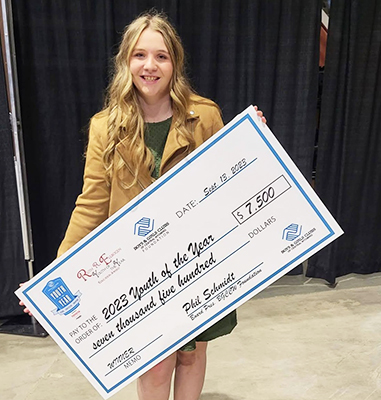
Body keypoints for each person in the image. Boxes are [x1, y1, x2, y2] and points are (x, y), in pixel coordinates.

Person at [20, 11, 266, 400]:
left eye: (161, 56)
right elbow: (92, 203)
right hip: (140, 268)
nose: (150, 66)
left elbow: (231, 182)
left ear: (175, 63)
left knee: (191, 354)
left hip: (198, 258)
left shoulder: (204, 115)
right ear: (126, 61)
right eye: (139, 55)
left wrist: (255, 142)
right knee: (154, 363)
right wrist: (55, 275)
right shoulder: (106, 125)